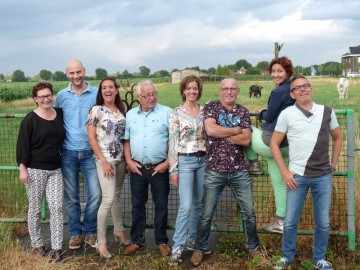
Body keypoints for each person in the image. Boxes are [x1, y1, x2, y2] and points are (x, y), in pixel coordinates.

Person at [271, 76, 342, 270]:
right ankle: (287, 257)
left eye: (306, 85)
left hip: (323, 176)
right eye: (297, 88)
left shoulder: (327, 111)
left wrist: (333, 165)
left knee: (323, 222)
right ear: (292, 94)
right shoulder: (287, 114)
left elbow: (338, 138)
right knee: (290, 221)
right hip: (297, 177)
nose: (303, 89)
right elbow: (274, 144)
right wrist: (284, 172)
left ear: (310, 89)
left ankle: (319, 259)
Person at [190, 78, 260, 267]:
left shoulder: (243, 111)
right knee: (206, 213)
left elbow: (246, 140)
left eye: (233, 89)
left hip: (239, 170)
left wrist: (225, 133)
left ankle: (253, 248)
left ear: (238, 91)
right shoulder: (211, 107)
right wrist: (235, 130)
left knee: (249, 213)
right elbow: (211, 130)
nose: (229, 92)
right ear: (220, 90)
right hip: (215, 169)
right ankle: (200, 247)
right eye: (226, 88)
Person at [54, 59, 101, 249]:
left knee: (96, 194)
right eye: (72, 73)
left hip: (91, 152)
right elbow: (55, 120)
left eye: (78, 72)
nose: (76, 76)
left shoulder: (97, 93)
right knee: (71, 196)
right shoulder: (61, 96)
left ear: (84, 71)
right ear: (67, 74)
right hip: (68, 152)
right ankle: (75, 233)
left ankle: (90, 231)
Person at [16, 82, 65, 262]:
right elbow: (22, 146)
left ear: (52, 95)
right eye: (41, 96)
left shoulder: (59, 114)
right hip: (35, 169)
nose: (46, 99)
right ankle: (37, 244)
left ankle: (57, 248)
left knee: (57, 208)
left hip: (55, 169)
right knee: (35, 208)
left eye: (48, 95)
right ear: (35, 99)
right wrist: (23, 168)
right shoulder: (30, 119)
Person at [245, 56, 295, 233]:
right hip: (287, 145)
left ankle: (253, 162)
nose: (275, 74)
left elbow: (270, 116)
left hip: (271, 142)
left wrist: (262, 113)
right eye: (273, 71)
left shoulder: (279, 92)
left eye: (279, 71)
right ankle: (281, 220)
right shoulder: (293, 88)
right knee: (280, 183)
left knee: (246, 129)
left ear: (287, 72)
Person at [123, 80, 172, 256]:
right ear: (139, 97)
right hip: (138, 168)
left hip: (159, 168)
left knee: (161, 205)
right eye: (147, 95)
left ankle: (161, 242)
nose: (152, 98)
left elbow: (174, 141)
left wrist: (167, 163)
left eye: (154, 94)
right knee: (137, 205)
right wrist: (128, 160)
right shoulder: (130, 115)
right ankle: (137, 241)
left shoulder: (167, 112)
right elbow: (126, 139)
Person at [86, 77, 130, 259]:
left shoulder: (121, 111)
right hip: (105, 160)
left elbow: (123, 137)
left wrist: (126, 160)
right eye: (104, 88)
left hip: (120, 160)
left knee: (117, 195)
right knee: (108, 198)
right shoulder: (96, 110)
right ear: (101, 91)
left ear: (117, 90)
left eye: (111, 87)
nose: (107, 90)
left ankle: (119, 230)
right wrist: (104, 161)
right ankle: (101, 242)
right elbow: (91, 138)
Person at [167, 75, 206, 265]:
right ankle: (177, 247)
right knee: (186, 205)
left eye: (195, 88)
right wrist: (173, 170)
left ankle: (192, 239)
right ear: (183, 90)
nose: (192, 91)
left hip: (203, 160)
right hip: (186, 161)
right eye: (189, 88)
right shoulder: (176, 113)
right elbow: (173, 143)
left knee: (198, 204)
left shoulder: (205, 112)